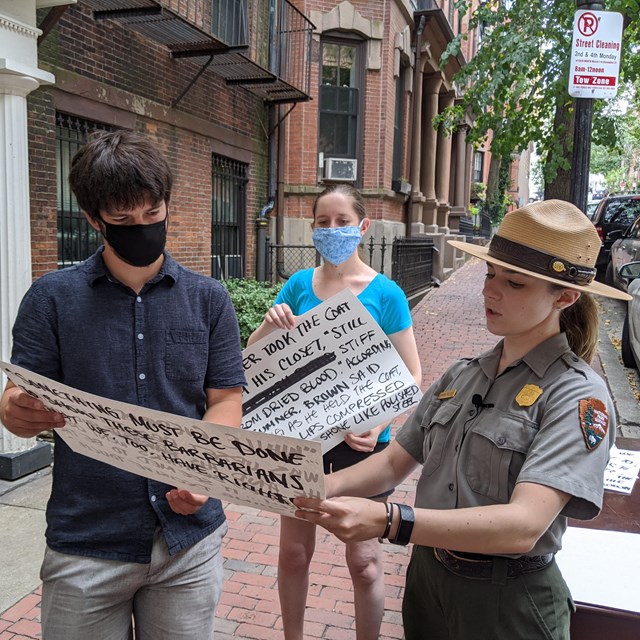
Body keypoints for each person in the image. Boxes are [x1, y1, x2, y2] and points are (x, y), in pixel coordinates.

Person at [293, 199, 632, 640]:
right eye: (491, 275)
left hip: (507, 600)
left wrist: (390, 520)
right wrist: (319, 487)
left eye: (514, 283)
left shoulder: (578, 395)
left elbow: (523, 526)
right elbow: (397, 460)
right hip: (429, 579)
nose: (490, 291)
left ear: (564, 297)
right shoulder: (462, 373)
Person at [0, 130, 246, 639]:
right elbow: (17, 403)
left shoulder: (209, 299)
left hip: (188, 543)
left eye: (153, 213)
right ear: (94, 220)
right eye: (123, 220)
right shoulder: (51, 299)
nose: (143, 227)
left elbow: (225, 400)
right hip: (87, 540)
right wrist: (15, 410)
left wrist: (203, 471)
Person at [247, 184, 422, 640]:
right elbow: (255, 359)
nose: (332, 230)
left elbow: (412, 375)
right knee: (294, 554)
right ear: (312, 229)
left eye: (342, 221)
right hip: (301, 441)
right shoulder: (297, 286)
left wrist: (380, 424)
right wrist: (268, 325)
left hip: (361, 447)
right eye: (323, 222)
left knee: (364, 563)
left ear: (362, 227)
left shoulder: (387, 294)